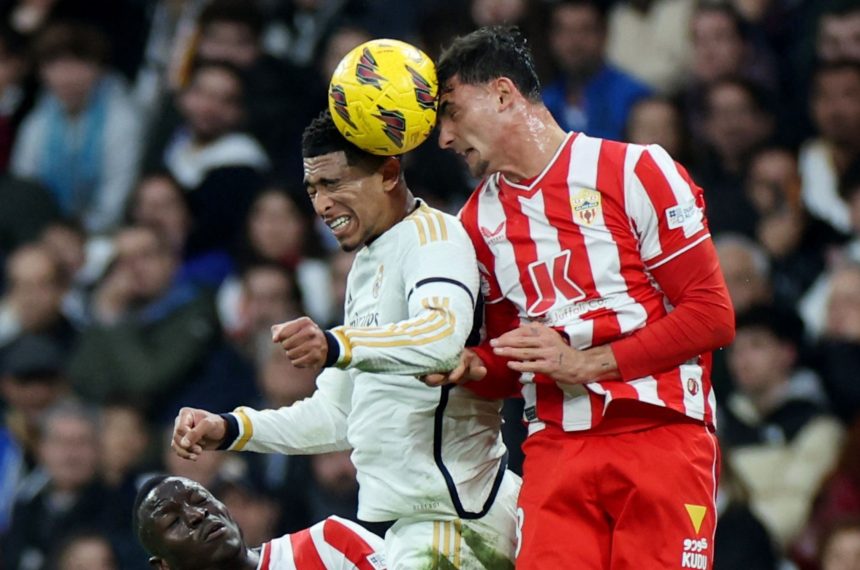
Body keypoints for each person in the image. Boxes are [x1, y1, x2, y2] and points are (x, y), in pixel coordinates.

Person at [430, 26, 735, 568]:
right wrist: (473, 366)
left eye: (452, 113)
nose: (445, 139)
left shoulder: (636, 171)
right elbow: (514, 359)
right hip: (556, 447)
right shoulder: (474, 223)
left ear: (503, 94)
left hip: (660, 432)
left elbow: (711, 316)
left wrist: (586, 363)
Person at [171, 111, 519, 569]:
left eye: (333, 184)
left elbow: (443, 337)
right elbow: (339, 415)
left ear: (389, 173)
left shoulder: (433, 238)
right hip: (416, 524)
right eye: (313, 190)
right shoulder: (365, 269)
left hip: (456, 520)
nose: (322, 204)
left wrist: (336, 345)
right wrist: (230, 429)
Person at [133, 475, 387, 570]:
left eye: (201, 500)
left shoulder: (328, 542)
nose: (197, 514)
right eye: (174, 521)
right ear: (163, 566)